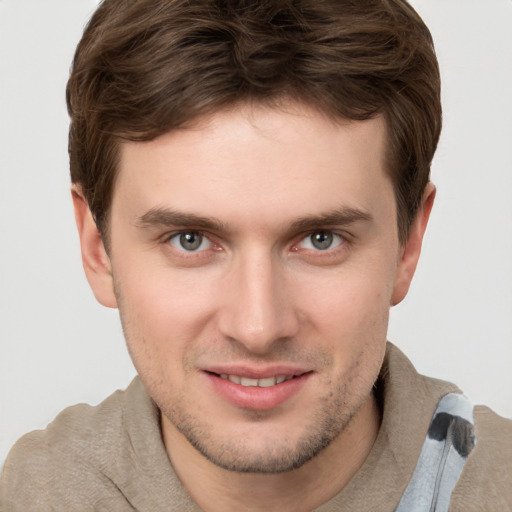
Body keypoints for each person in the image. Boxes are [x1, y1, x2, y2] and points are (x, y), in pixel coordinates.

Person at [1, 0, 510, 510]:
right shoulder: (35, 494)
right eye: (190, 240)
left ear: (408, 244)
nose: (258, 327)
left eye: (320, 239)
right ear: (98, 248)